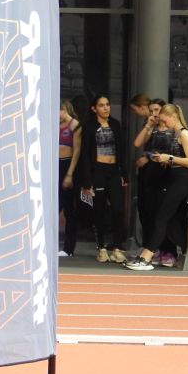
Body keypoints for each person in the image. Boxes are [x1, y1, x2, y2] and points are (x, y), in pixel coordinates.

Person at [127, 103, 188, 270]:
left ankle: (147, 256)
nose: (164, 124)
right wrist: (165, 159)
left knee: (161, 217)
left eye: (165, 120)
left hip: (181, 180)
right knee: (169, 219)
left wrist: (169, 158)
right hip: (172, 178)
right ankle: (152, 254)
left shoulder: (184, 134)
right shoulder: (175, 134)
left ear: (173, 117)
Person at [80, 95, 128, 264]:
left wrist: (124, 173)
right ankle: (101, 248)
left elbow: (122, 150)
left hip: (114, 171)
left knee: (118, 210)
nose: (106, 108)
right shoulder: (89, 126)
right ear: (94, 109)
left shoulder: (115, 124)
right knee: (99, 210)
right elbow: (85, 155)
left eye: (107, 104)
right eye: (101, 105)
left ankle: (116, 248)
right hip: (97, 172)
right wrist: (87, 181)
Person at [133, 98, 176, 265]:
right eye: (151, 110)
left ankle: (168, 250)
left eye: (157, 110)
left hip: (166, 172)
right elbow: (137, 143)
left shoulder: (172, 128)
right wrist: (148, 125)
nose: (154, 114)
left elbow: (176, 150)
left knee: (162, 212)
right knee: (147, 211)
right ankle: (151, 248)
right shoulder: (150, 127)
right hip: (149, 173)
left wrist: (149, 157)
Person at [58, 99, 82, 257]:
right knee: (54, 207)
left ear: (64, 110)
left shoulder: (75, 125)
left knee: (69, 209)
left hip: (68, 164)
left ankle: (68, 248)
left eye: (59, 111)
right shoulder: (54, 124)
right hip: (55, 165)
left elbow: (77, 151)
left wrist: (69, 174)